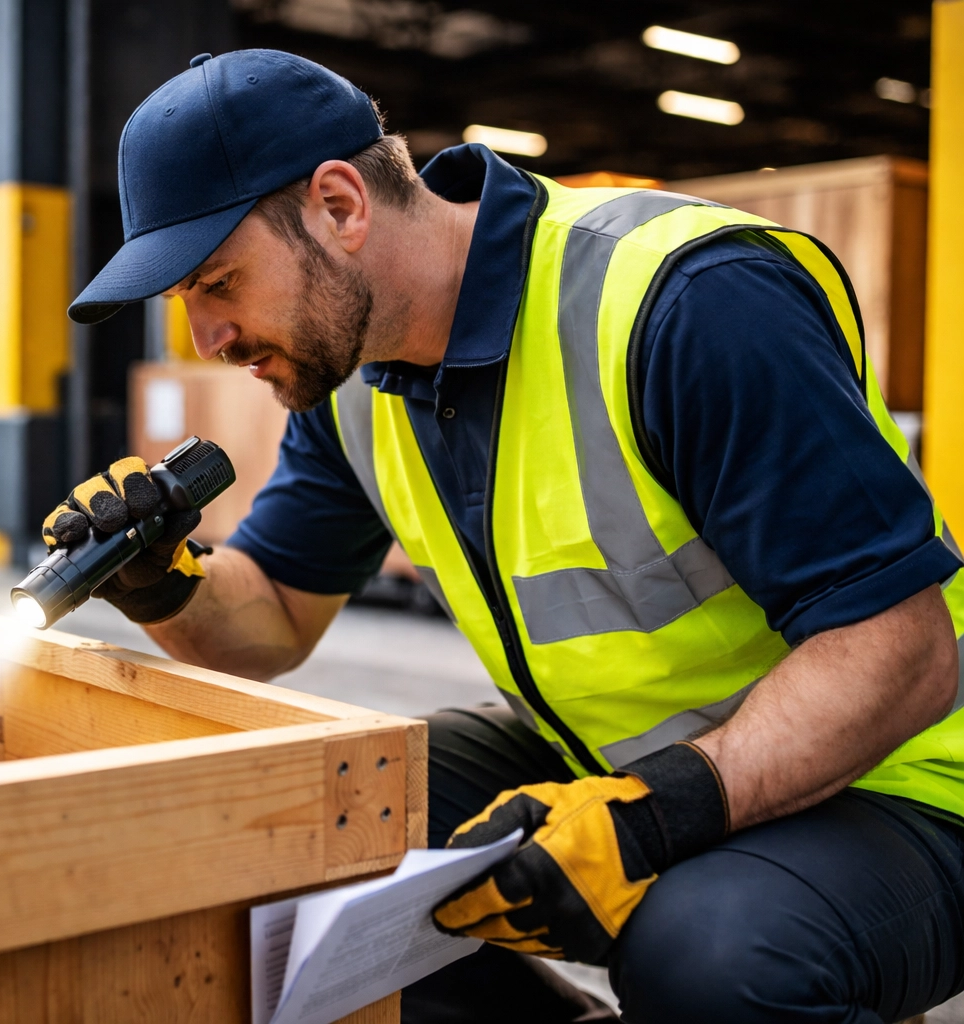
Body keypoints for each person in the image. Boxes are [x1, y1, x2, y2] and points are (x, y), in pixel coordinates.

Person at [51, 48, 964, 1023]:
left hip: (900, 780)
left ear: (339, 206)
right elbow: (269, 619)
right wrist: (164, 583)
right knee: (297, 831)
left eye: (218, 281)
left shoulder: (689, 302)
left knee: (708, 961)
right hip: (614, 765)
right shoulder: (355, 377)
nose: (207, 339)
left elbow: (902, 653)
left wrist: (662, 813)